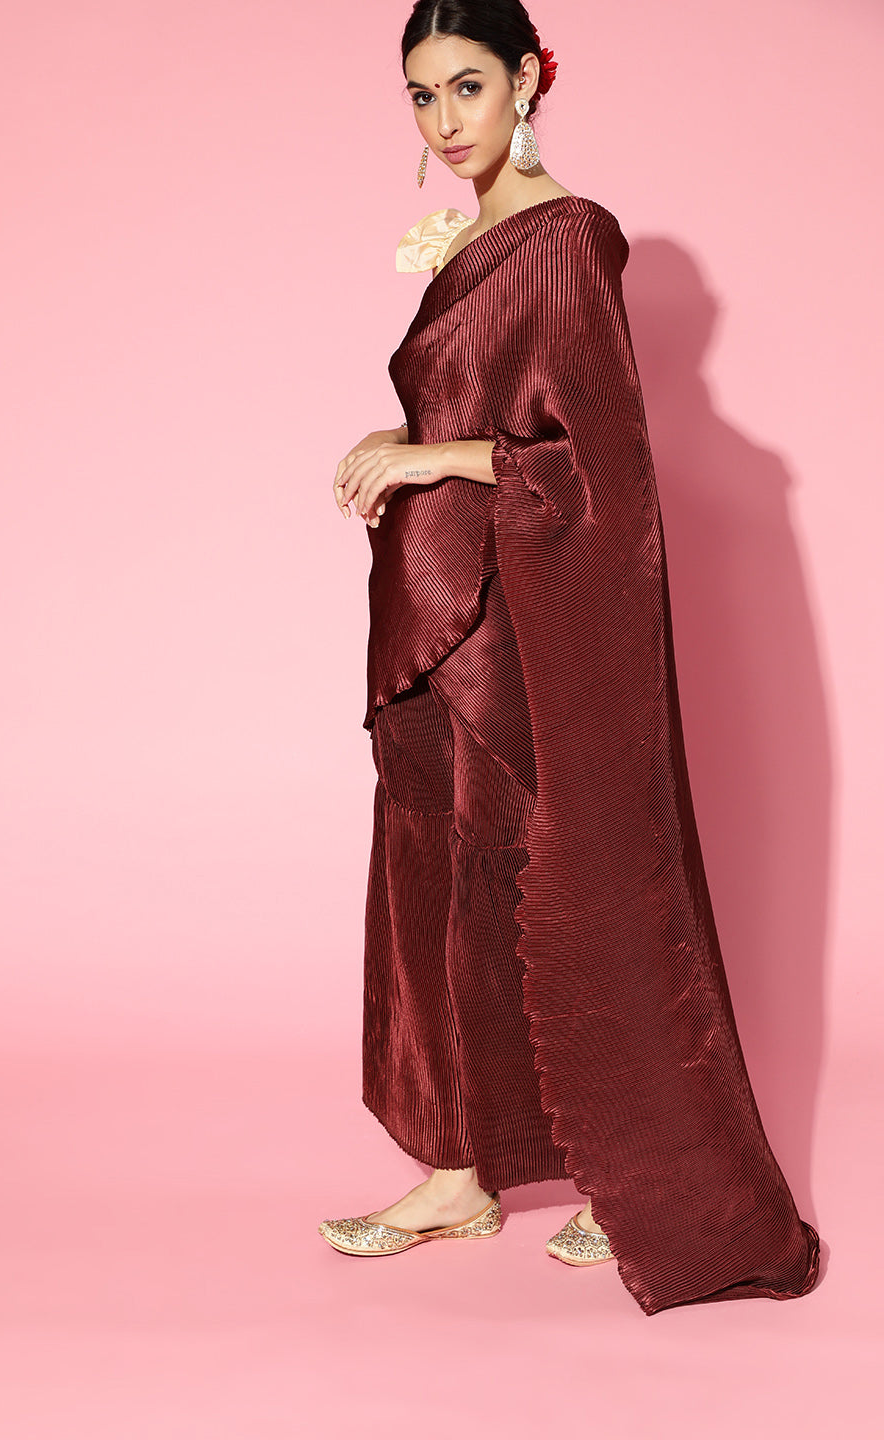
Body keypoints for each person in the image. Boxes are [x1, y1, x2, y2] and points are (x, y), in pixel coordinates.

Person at [317, 0, 821, 1316]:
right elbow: (481, 414)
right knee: (435, 888)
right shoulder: (472, 239)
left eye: (468, 87)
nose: (444, 119)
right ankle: (458, 1171)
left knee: (553, 877)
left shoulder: (566, 238)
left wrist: (423, 454)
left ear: (530, 81)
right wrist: (406, 456)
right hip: (429, 614)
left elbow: (599, 462)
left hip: (517, 621)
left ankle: (628, 1173)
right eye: (421, 94)